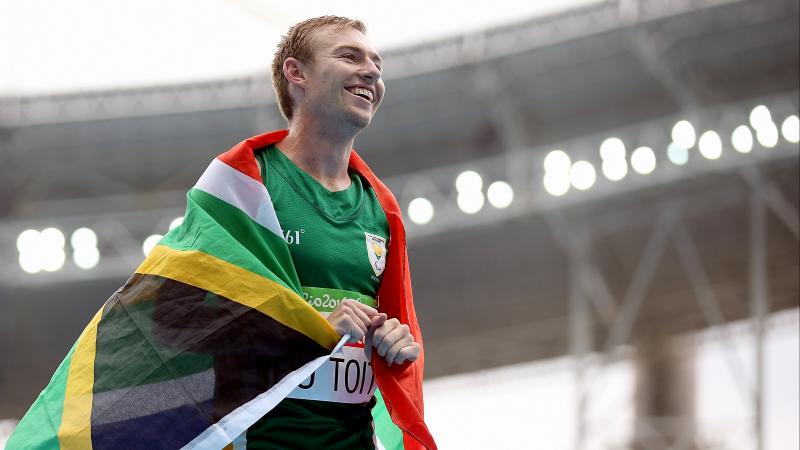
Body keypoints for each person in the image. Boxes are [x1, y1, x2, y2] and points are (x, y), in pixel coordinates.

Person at [241, 16, 426, 448]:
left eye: (377, 62)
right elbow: (179, 326)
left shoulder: (382, 211)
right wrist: (314, 331)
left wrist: (394, 343)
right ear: (296, 73)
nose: (372, 71)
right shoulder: (243, 184)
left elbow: (386, 328)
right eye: (350, 56)